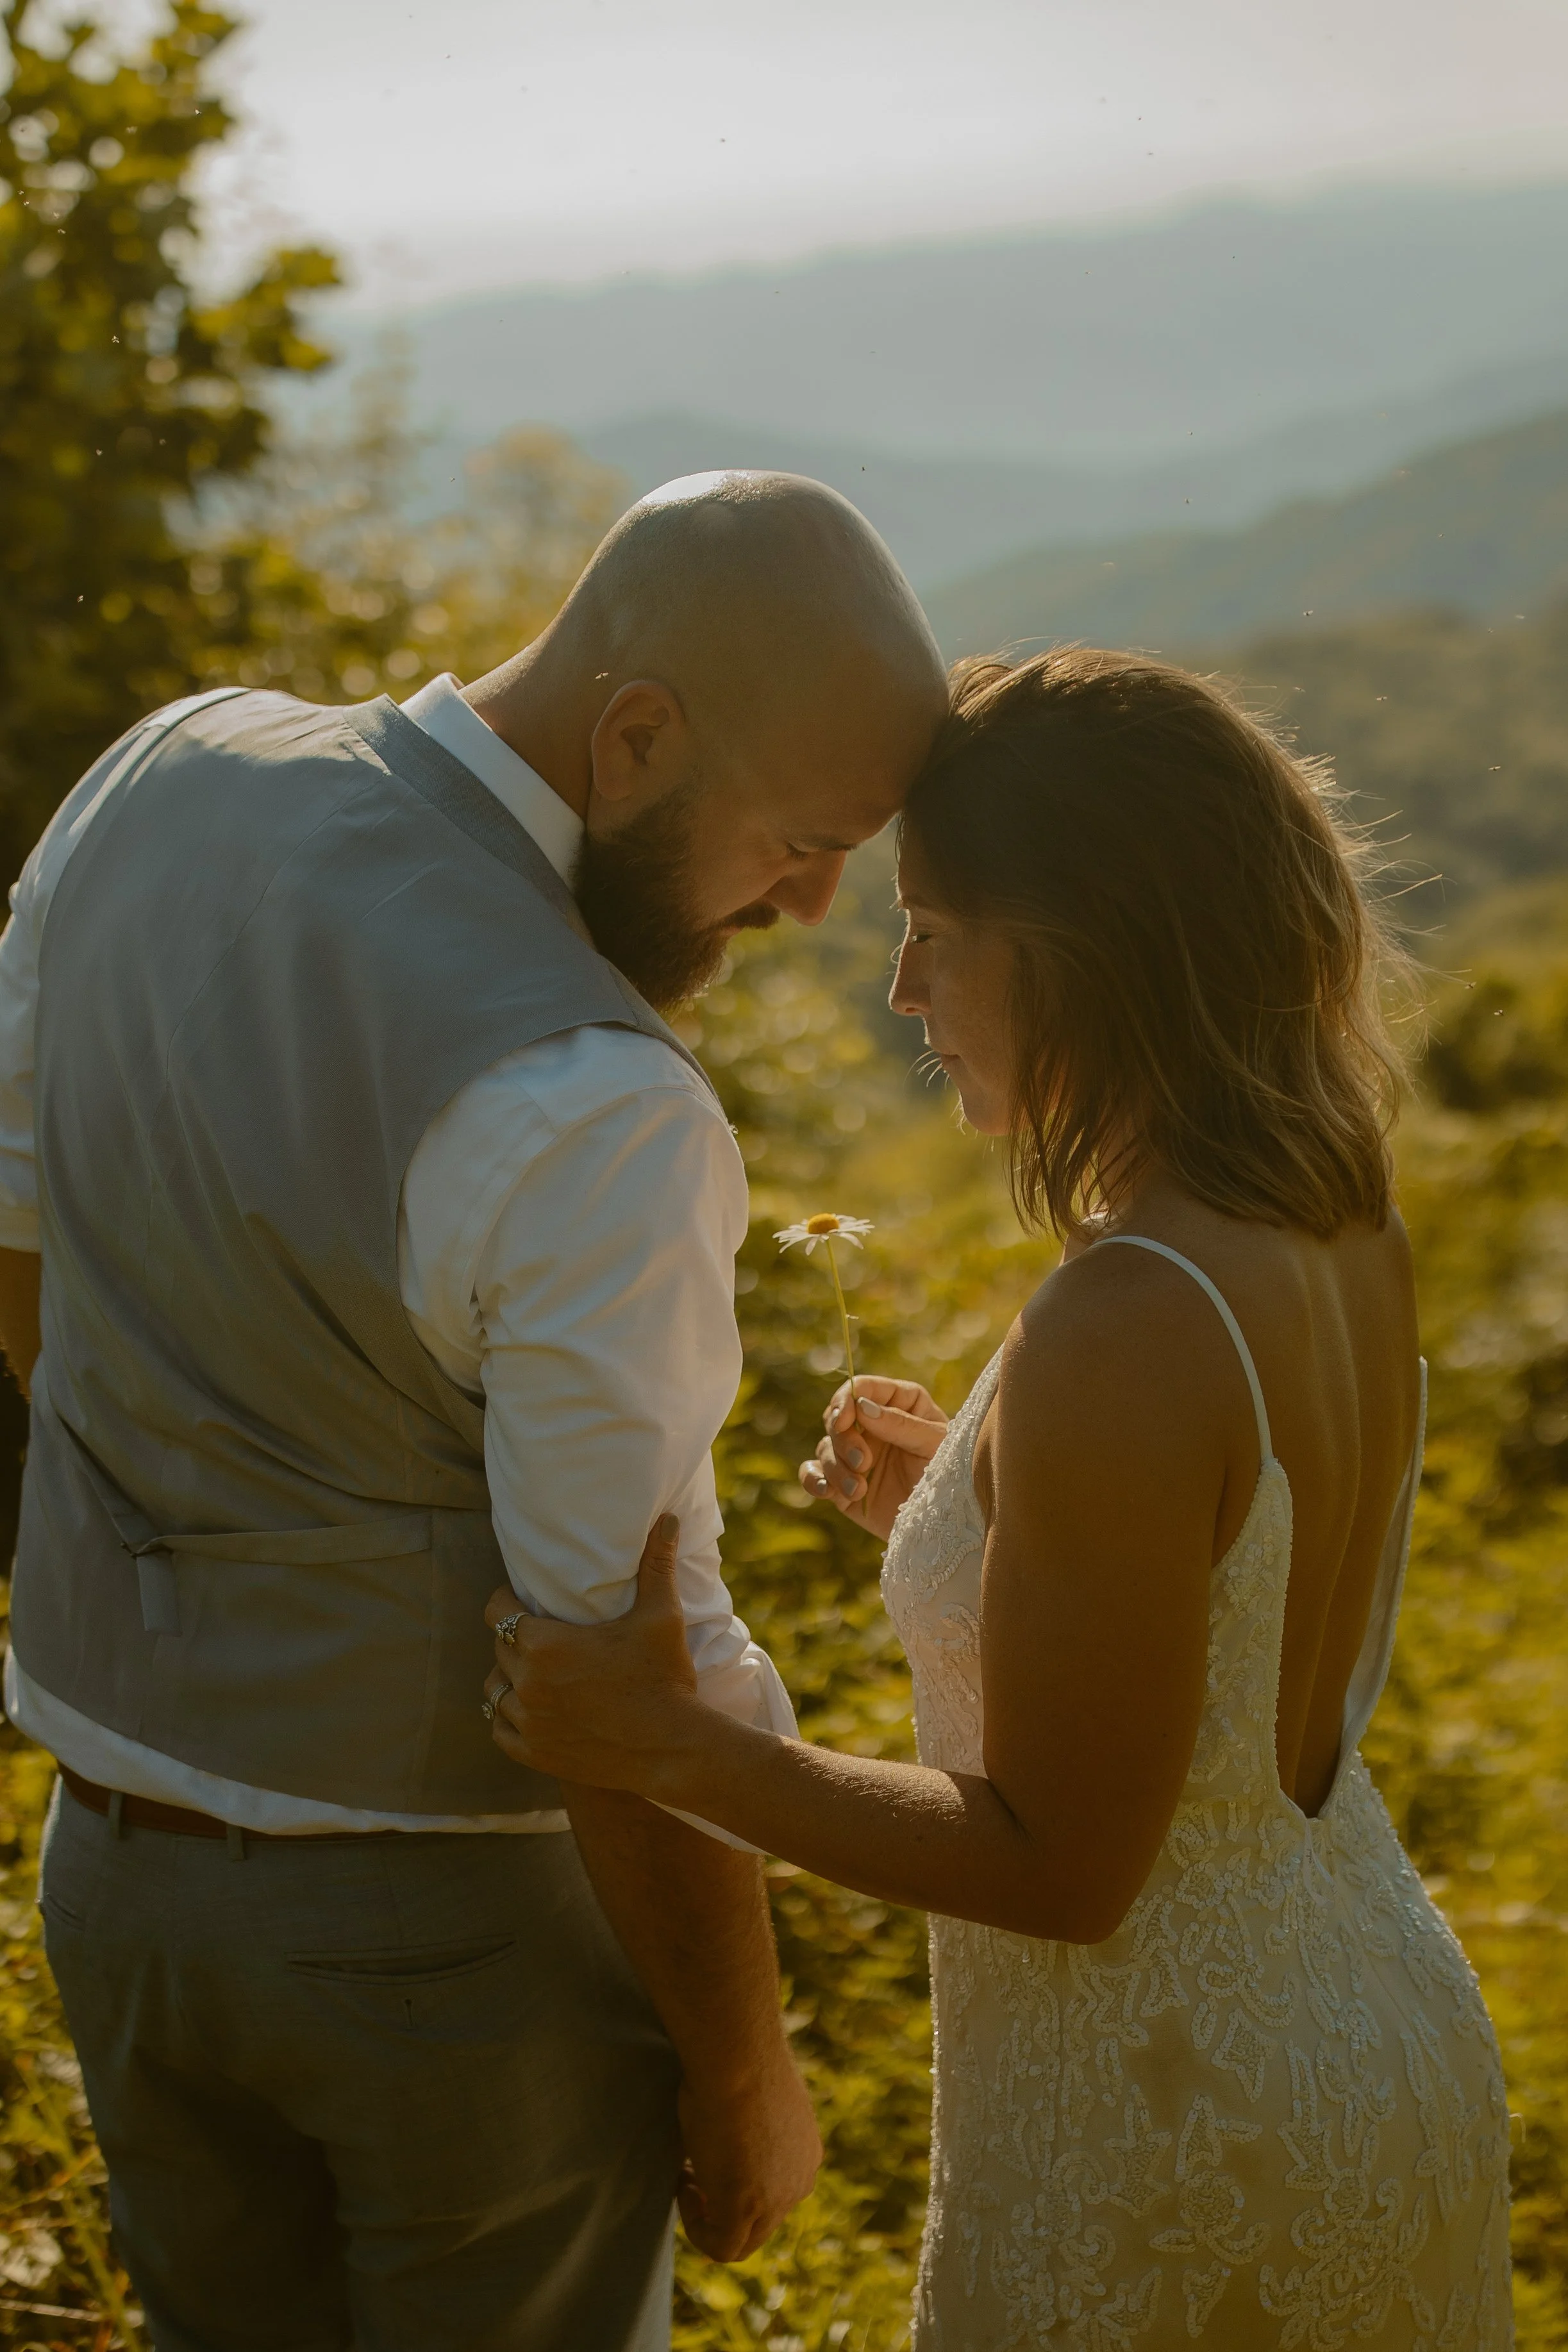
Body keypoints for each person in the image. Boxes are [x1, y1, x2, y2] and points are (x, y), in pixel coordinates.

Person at [0, 471, 949, 2351]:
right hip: (452, 1954)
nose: (817, 903)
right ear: (639, 734)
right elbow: (624, 1668)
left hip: (114, 1874)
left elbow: (26, 1265)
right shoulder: (596, 1096)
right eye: (802, 838)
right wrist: (745, 2061)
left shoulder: (159, 773)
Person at [483, 647, 1515, 2348]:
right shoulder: (1343, 1227)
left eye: (933, 928)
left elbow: (1061, 1865)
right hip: (1369, 2033)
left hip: (1179, 2117)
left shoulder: (1126, 1316)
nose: (898, 988)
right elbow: (1218, 1666)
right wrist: (960, 1541)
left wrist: (659, 1735)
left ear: (1079, 946)